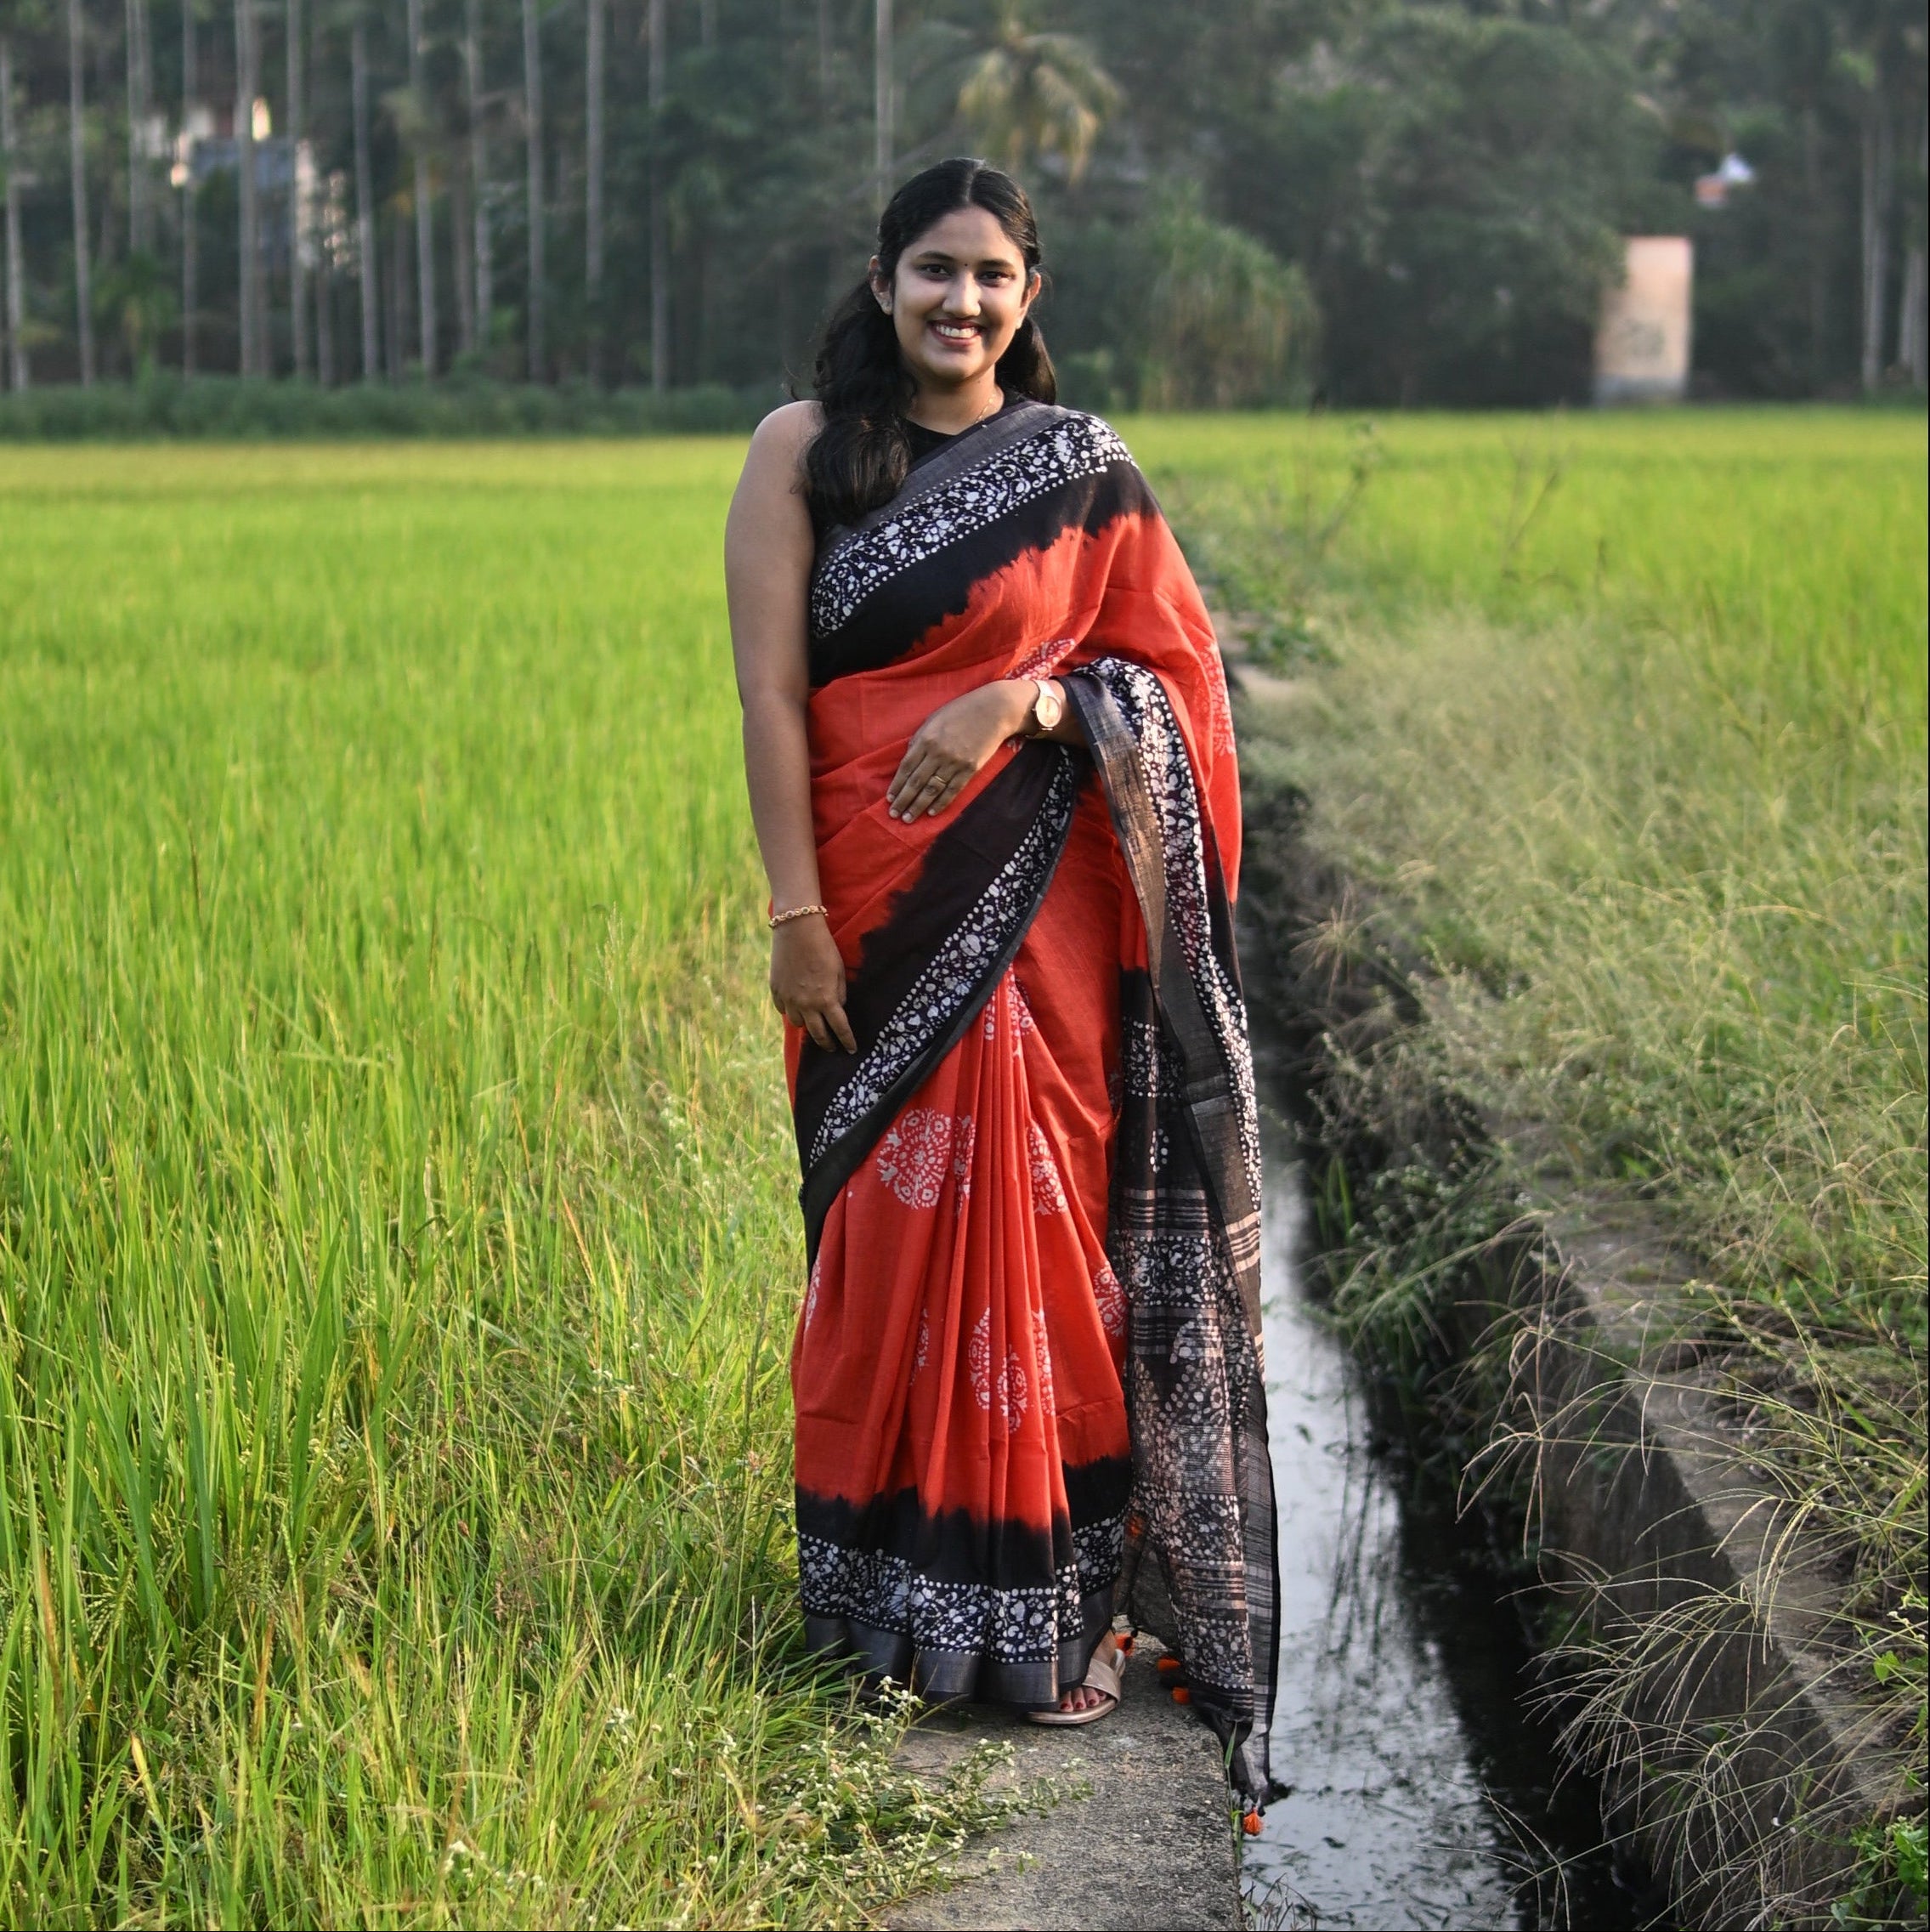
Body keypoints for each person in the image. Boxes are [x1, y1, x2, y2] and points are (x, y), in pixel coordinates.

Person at [724, 157, 1276, 1794]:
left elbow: (1171, 684)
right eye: (935, 271)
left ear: (1030, 297)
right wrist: (793, 914)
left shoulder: (1082, 471)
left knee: (1045, 1249)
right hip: (869, 922)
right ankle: (880, 1604)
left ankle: (1040, 1612)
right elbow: (769, 700)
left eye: (994, 278)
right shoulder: (801, 451)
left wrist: (1029, 706)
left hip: (1041, 932)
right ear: (883, 278)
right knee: (886, 1242)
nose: (962, 302)